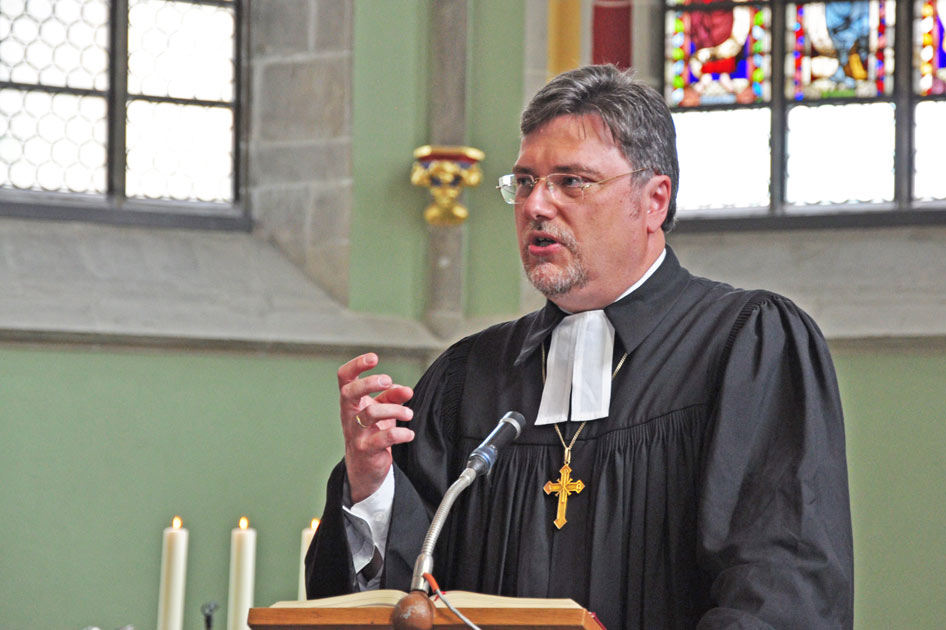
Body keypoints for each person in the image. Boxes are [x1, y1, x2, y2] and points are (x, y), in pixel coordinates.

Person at [305, 64, 853, 630]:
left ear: (654, 200)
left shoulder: (746, 346)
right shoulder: (468, 377)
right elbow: (405, 604)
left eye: (571, 181)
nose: (536, 206)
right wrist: (372, 484)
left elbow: (779, 588)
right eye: (524, 182)